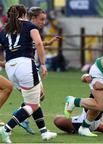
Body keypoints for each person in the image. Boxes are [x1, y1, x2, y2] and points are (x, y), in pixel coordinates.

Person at [0, 4, 57, 143]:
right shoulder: (30, 26)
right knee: (32, 104)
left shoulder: (4, 30)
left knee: (35, 98)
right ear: (25, 14)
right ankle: (6, 128)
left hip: (10, 68)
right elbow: (38, 43)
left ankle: (44, 132)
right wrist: (43, 64)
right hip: (25, 65)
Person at [15, 6, 61, 135]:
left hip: (25, 67)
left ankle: (23, 116)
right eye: (41, 19)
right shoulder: (28, 28)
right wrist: (43, 64)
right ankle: (19, 117)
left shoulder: (29, 28)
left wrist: (49, 43)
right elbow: (36, 44)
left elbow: (37, 43)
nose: (43, 22)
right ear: (33, 18)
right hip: (25, 68)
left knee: (40, 96)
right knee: (37, 97)